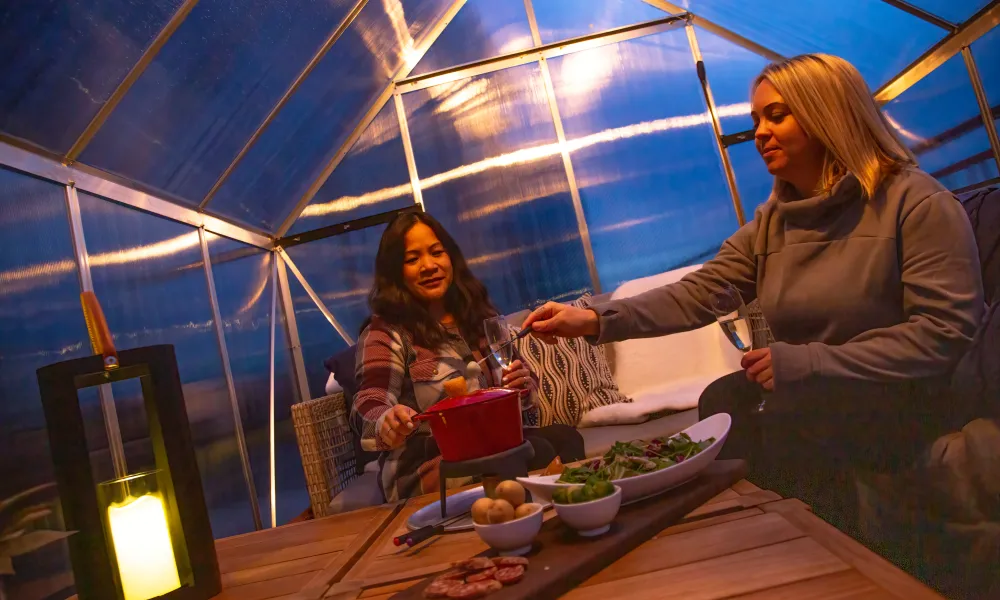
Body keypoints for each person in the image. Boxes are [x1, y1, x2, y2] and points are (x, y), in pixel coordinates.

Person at [522, 54, 984, 529]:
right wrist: (596, 321)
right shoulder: (772, 224)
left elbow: (944, 332)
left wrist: (810, 362)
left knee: (764, 421)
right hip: (815, 400)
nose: (759, 132)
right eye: (756, 119)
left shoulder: (917, 203)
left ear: (828, 112)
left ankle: (821, 558)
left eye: (777, 115)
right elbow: (698, 293)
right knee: (725, 400)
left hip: (896, 401)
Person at [354, 212, 585, 501]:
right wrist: (387, 420)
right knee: (536, 452)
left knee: (565, 437)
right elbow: (370, 400)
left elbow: (522, 389)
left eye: (436, 252)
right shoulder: (386, 331)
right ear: (395, 272)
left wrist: (522, 387)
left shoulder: (478, 318)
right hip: (429, 466)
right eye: (412, 259)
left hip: (489, 447)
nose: (428, 265)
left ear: (451, 257)